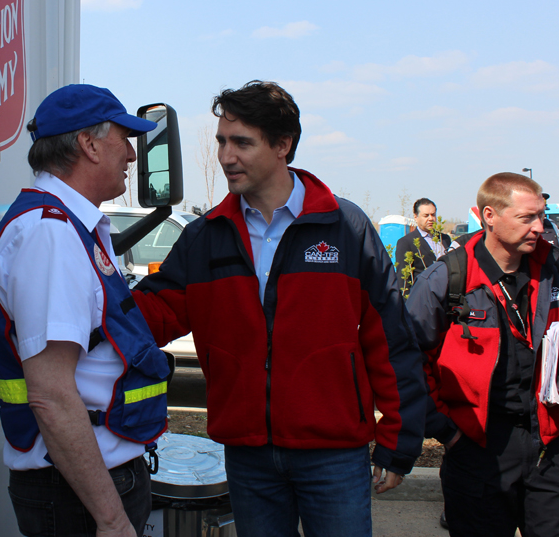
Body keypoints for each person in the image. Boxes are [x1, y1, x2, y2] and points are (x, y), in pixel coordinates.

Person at [132, 81, 426, 537]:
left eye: (242, 143)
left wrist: (399, 440)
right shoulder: (206, 235)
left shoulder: (345, 227)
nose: (226, 156)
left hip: (334, 454)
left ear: (283, 145)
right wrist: (86, 290)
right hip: (248, 455)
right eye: (221, 142)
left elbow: (390, 338)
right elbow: (155, 313)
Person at [0, 84, 169, 537]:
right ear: (88, 143)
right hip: (78, 493)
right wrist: (111, 519)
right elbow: (52, 395)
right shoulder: (52, 234)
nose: (132, 155)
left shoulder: (71, 227)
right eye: (125, 139)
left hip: (84, 482)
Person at [407, 172, 559, 537]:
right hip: (477, 448)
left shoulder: (556, 270)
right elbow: (409, 360)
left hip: (545, 442)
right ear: (490, 216)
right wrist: (447, 432)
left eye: (542, 216)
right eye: (528, 218)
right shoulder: (448, 278)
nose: (540, 227)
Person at [394, 197, 451, 289]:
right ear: (416, 217)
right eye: (426, 215)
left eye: (433, 215)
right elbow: (403, 280)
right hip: (423, 296)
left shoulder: (444, 239)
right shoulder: (406, 242)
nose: (431, 219)